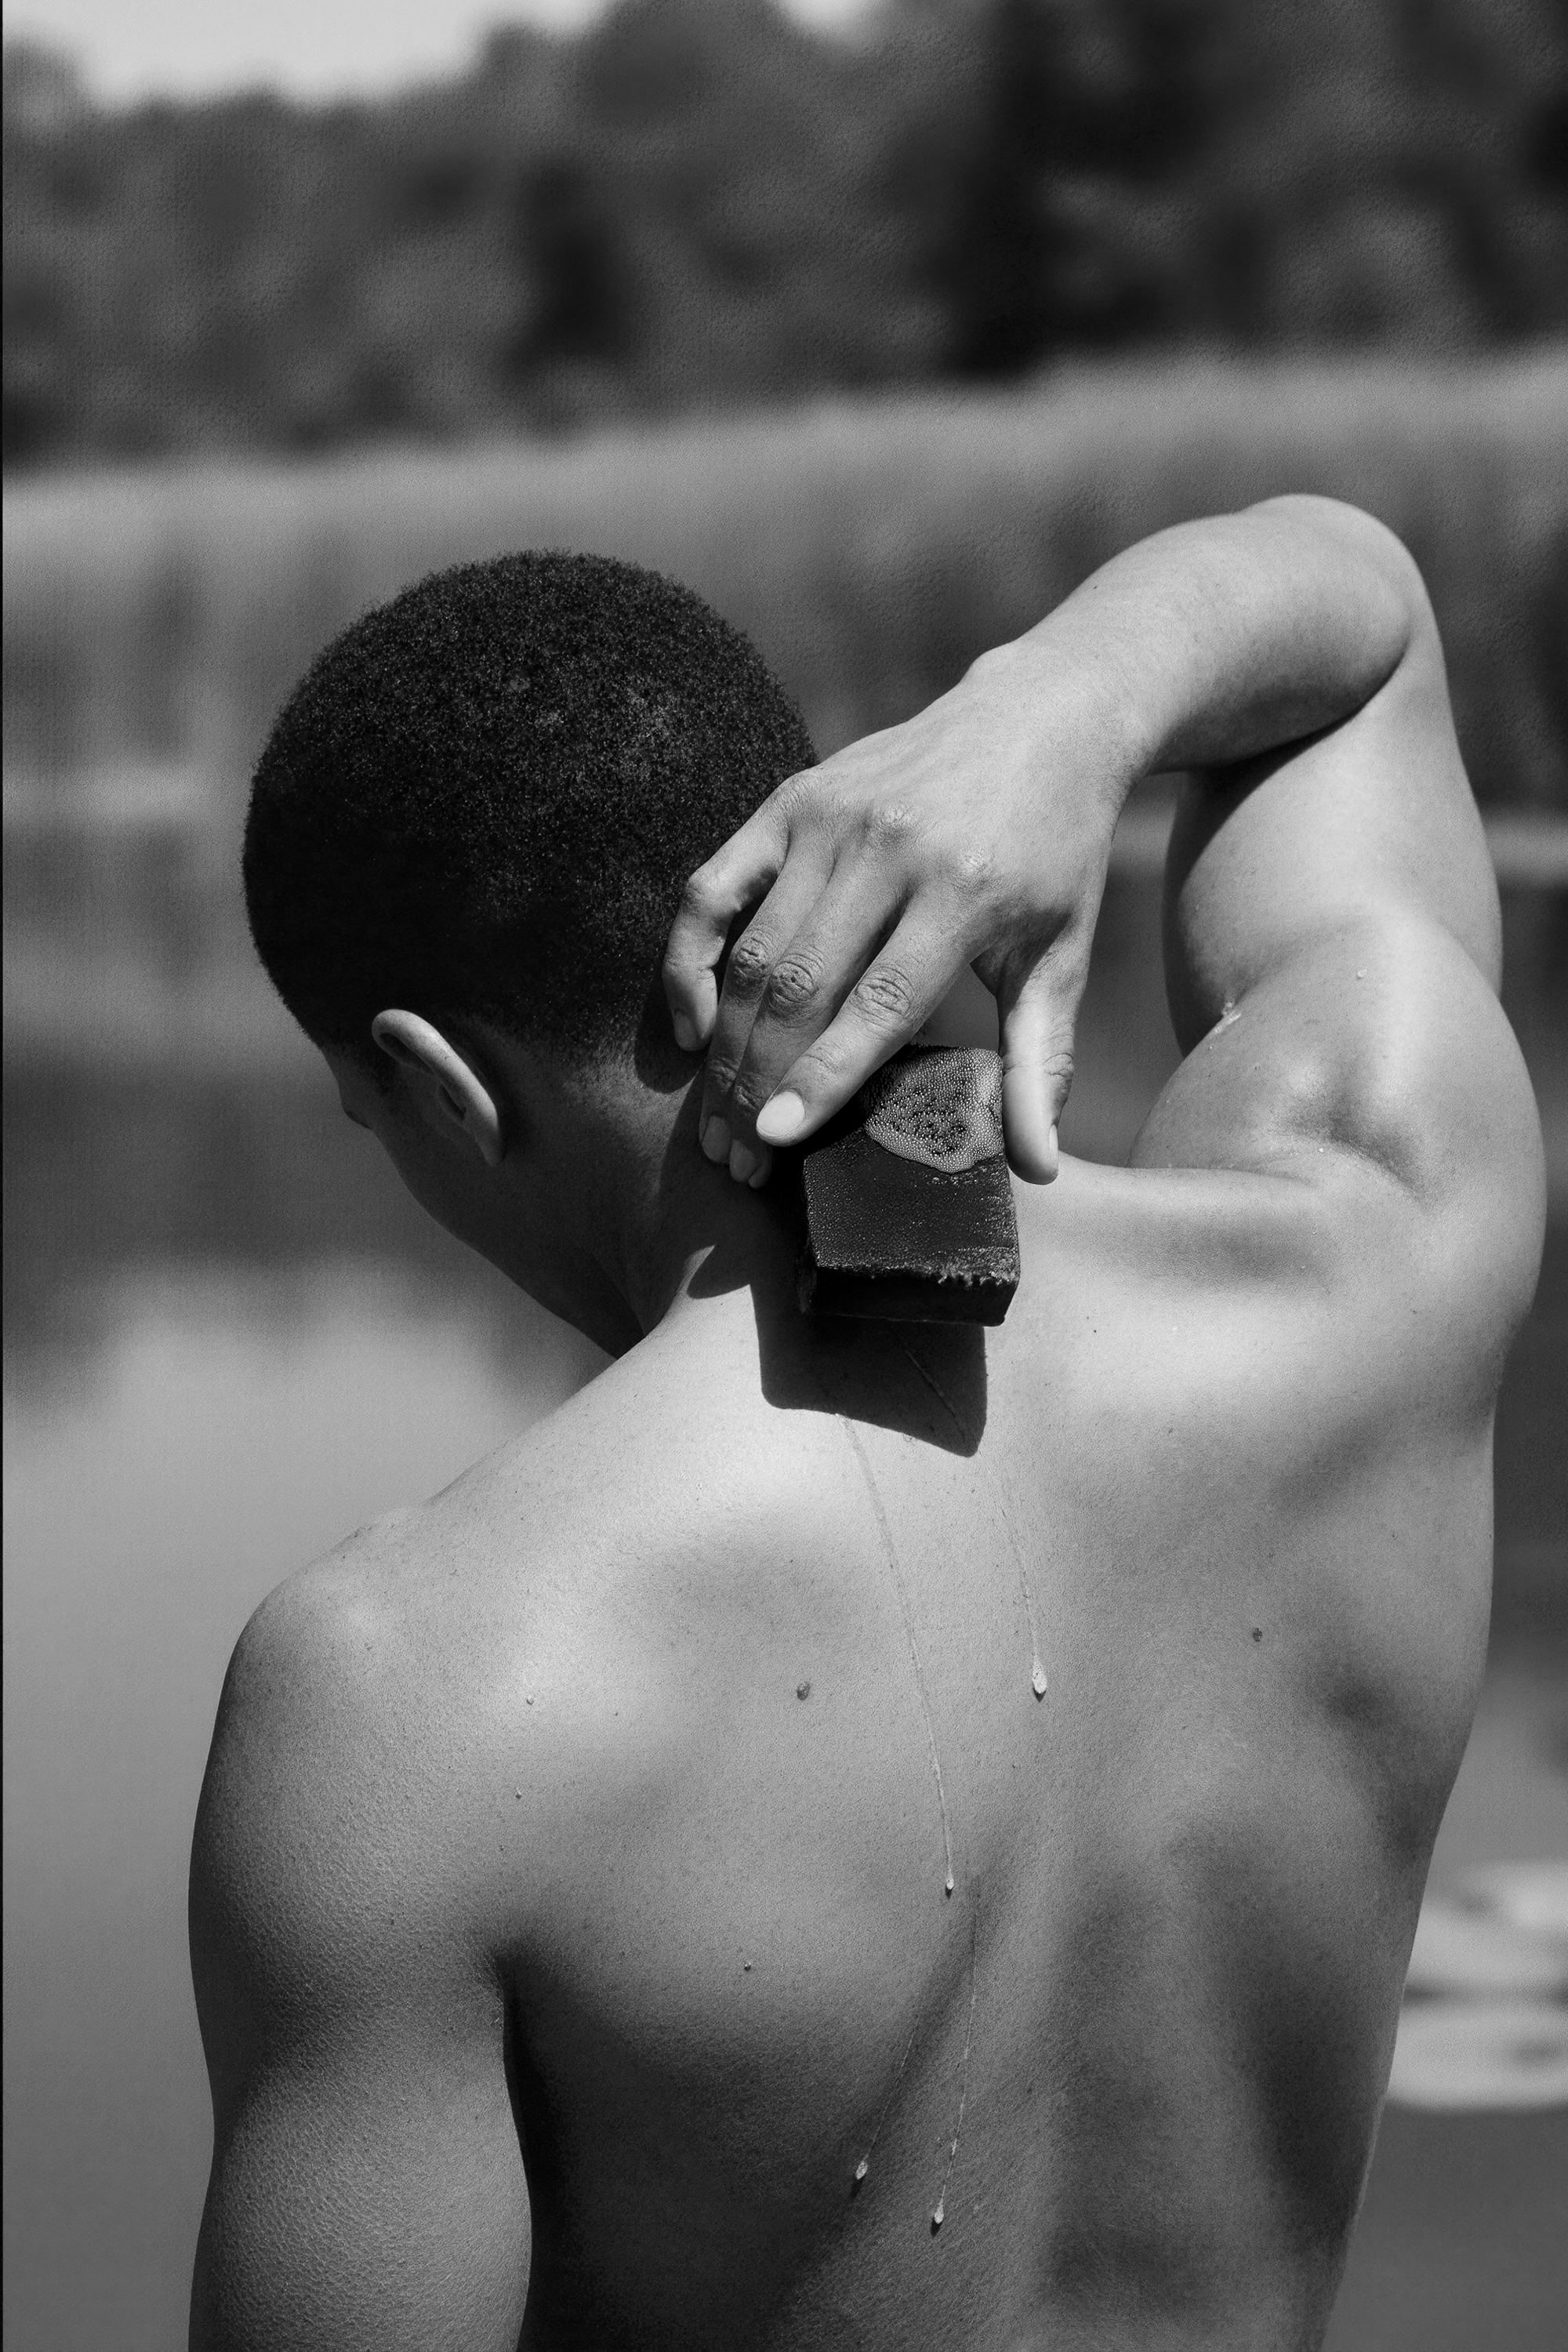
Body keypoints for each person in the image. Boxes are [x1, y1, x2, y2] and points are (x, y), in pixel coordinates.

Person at [192, 505, 1543, 2351]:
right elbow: (1363, 619)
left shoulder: (412, 1689)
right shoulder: (1382, 1251)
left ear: (436, 1084)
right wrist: (1054, 704)